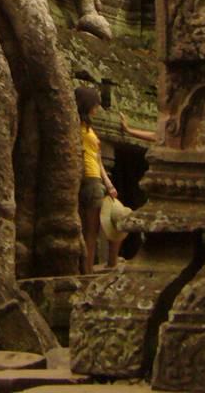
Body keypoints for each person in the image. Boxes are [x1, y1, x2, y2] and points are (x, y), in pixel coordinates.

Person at [76, 85, 116, 273]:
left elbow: (98, 159)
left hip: (94, 180)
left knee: (91, 229)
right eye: (95, 103)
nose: (98, 108)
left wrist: (109, 185)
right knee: (90, 232)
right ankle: (88, 270)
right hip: (88, 179)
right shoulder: (76, 125)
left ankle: (87, 267)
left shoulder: (88, 127)